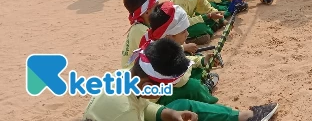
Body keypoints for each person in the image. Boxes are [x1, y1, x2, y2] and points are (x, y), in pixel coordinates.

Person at [84, 38, 279, 121]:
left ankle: (242, 117)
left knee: (181, 106)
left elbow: (142, 105)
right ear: (148, 85)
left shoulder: (126, 81)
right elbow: (133, 109)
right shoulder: (124, 110)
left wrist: (169, 114)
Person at [143, 2, 219, 105]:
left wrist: (202, 61)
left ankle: (203, 84)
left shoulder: (161, 43)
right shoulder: (157, 53)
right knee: (193, 87)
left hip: (165, 87)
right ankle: (206, 91)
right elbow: (182, 79)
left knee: (197, 63)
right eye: (183, 32)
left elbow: (182, 60)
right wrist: (196, 64)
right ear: (169, 36)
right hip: (156, 101)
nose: (187, 34)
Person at [121, 0, 159, 68]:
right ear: (146, 13)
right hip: (134, 73)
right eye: (156, 7)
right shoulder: (141, 30)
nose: (160, 9)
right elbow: (158, 52)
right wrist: (183, 47)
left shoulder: (143, 25)